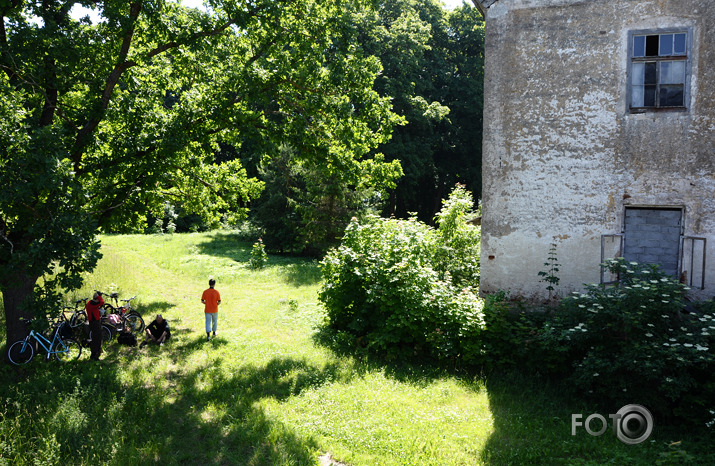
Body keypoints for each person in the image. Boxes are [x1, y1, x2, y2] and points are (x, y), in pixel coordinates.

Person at [85, 291, 104, 361]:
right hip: (94, 323)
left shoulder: (90, 302)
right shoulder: (92, 304)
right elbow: (102, 302)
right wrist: (99, 296)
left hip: (94, 322)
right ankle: (94, 355)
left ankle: (97, 353)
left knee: (97, 338)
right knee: (96, 339)